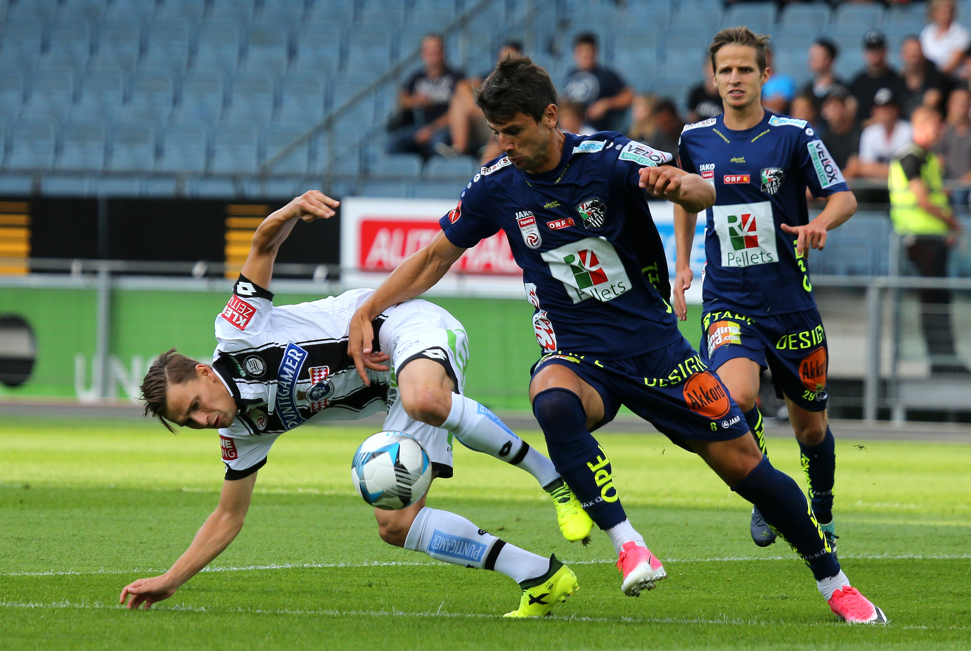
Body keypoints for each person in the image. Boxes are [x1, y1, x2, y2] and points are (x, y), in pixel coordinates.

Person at [347, 52, 887, 624]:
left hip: (656, 348)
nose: (504, 143)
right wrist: (370, 308)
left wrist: (676, 185)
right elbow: (435, 257)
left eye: (515, 131)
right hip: (577, 353)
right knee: (551, 399)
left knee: (748, 469)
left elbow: (700, 193)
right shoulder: (496, 187)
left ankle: (835, 582)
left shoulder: (610, 157)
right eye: (497, 132)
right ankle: (629, 543)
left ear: (550, 116)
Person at [118, 191, 592, 617]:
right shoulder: (242, 431)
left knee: (424, 396)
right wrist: (169, 580)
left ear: (204, 372)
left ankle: (555, 481)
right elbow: (228, 516)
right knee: (396, 525)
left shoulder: (238, 333)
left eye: (197, 404)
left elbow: (262, 246)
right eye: (191, 421)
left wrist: (289, 212)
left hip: (405, 322)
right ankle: (539, 576)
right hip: (394, 391)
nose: (205, 419)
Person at [676, 24, 859, 573]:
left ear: (764, 75)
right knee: (738, 397)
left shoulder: (795, 135)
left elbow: (843, 197)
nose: (734, 78)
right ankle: (768, 492)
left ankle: (820, 511)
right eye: (725, 70)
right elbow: (685, 200)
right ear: (714, 77)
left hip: (790, 305)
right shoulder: (694, 139)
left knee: (811, 430)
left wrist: (819, 224)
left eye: (744, 69)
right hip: (728, 301)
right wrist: (682, 264)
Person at [890, 107, 971, 376]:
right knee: (933, 301)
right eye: (936, 126)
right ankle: (940, 360)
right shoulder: (910, 157)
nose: (939, 132)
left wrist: (945, 229)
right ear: (921, 126)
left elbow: (935, 197)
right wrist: (953, 223)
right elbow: (922, 200)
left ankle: (945, 358)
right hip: (920, 238)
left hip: (933, 238)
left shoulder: (928, 159)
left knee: (940, 299)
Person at [388, 34, 464, 160]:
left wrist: (432, 128)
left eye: (436, 50)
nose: (432, 54)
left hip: (445, 126)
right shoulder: (417, 76)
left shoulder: (456, 77)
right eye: (428, 50)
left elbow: (460, 111)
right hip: (420, 125)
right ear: (423, 53)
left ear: (443, 52)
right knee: (393, 144)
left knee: (439, 144)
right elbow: (402, 99)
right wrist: (416, 101)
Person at [442, 41, 523, 160]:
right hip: (486, 122)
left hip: (506, 128)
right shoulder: (491, 77)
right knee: (458, 101)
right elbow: (462, 85)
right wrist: (474, 105)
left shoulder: (525, 82)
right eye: (502, 59)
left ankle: (491, 149)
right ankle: (459, 150)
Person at [562, 32, 633, 132]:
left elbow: (629, 96)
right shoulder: (571, 74)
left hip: (595, 130)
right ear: (575, 54)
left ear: (596, 53)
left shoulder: (606, 75)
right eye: (582, 51)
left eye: (589, 51)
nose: (586, 55)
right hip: (571, 129)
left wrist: (606, 103)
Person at [848, 31, 909, 126]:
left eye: (878, 49)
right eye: (871, 50)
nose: (874, 54)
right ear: (865, 53)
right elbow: (851, 114)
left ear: (885, 51)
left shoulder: (897, 80)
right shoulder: (857, 82)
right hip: (862, 132)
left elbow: (901, 111)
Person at [858, 88, 914, 179]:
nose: (885, 111)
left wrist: (876, 170)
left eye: (889, 107)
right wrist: (895, 171)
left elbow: (908, 168)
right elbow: (864, 168)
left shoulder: (908, 130)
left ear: (897, 109)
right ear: (874, 111)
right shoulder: (869, 133)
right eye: (880, 108)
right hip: (874, 187)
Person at [937, 87, 971, 208]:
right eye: (957, 101)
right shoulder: (941, 132)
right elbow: (938, 163)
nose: (961, 105)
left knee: (959, 196)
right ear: (949, 105)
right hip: (945, 184)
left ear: (970, 105)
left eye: (964, 102)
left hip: (967, 187)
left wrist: (954, 186)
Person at [901, 36, 955, 117]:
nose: (914, 55)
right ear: (903, 54)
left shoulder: (935, 76)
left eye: (917, 51)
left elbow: (931, 102)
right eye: (910, 51)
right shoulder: (898, 79)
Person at [820, 85, 863, 179]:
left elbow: (853, 169)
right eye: (830, 105)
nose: (834, 109)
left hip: (854, 188)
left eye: (839, 105)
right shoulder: (824, 136)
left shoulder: (858, 133)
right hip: (831, 184)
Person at [920, 0, 971, 75]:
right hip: (928, 75)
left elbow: (953, 63)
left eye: (946, 11)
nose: (944, 15)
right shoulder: (927, 32)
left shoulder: (960, 33)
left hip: (949, 78)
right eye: (940, 11)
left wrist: (934, 76)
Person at [800, 39, 844, 116]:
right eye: (811, 56)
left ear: (829, 60)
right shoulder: (806, 90)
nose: (811, 59)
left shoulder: (842, 90)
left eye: (816, 56)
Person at [686, 55, 723, 123]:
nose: (715, 72)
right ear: (705, 67)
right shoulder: (696, 93)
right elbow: (691, 119)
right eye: (712, 67)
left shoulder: (726, 96)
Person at [760, 46, 795, 115]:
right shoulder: (752, 81)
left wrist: (759, 102)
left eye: (766, 56)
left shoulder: (785, 81)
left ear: (771, 57)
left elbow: (778, 106)